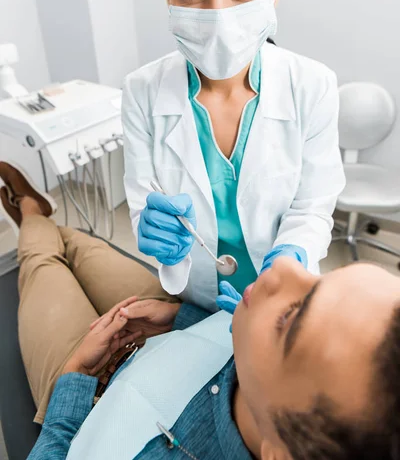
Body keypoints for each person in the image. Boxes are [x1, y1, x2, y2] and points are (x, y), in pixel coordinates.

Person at [1, 164, 399, 459]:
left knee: (42, 263)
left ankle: (33, 215)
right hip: (170, 333)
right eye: (325, 278)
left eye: (290, 318)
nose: (283, 267)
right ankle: (49, 224)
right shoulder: (280, 383)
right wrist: (180, 318)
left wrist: (76, 377)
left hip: (90, 393)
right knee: (86, 248)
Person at [122, 0, 345, 310]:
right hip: (194, 296)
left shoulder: (313, 86)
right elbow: (143, 207)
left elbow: (312, 208)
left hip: (283, 298)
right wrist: (153, 232)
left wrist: (290, 255)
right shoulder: (142, 93)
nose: (219, 17)